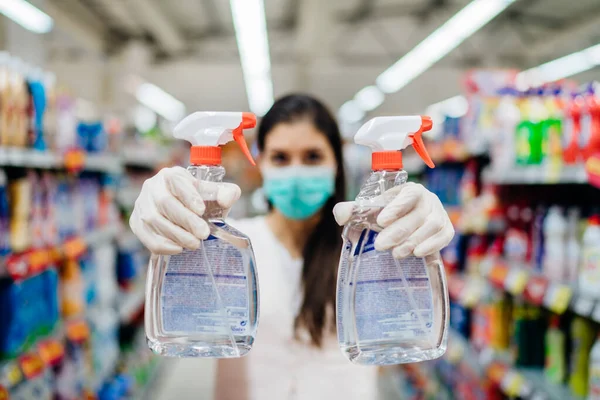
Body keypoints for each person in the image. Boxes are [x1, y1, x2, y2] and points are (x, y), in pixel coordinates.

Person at [129, 94, 454, 399]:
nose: (296, 171)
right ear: (261, 164)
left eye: (313, 157)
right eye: (280, 158)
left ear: (336, 164)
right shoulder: (224, 248)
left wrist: (420, 243)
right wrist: (160, 213)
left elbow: (408, 324)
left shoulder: (368, 249)